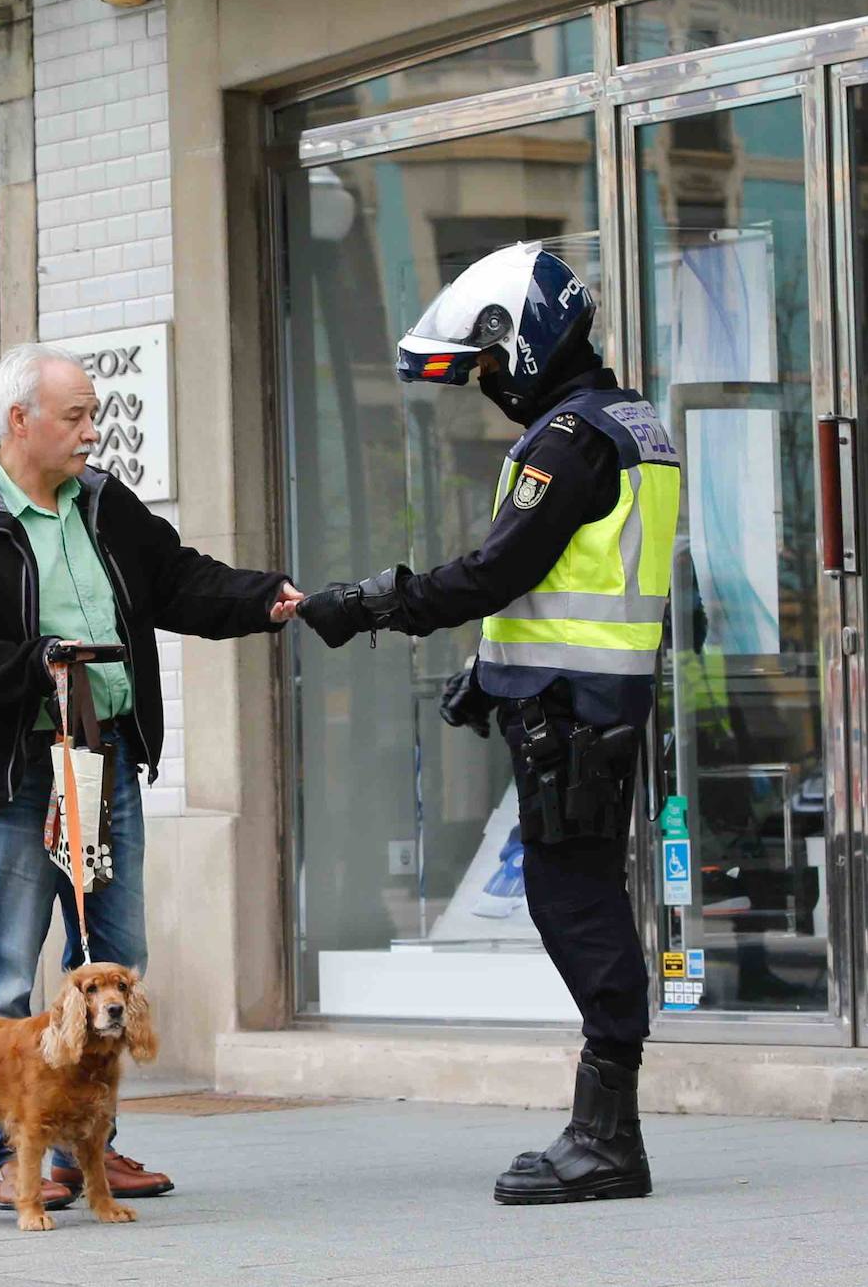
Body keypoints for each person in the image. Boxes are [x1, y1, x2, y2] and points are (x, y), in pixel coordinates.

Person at [297, 244, 680, 1205]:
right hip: (583, 698)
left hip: (574, 711)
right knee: (579, 894)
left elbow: (499, 569)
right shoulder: (627, 421)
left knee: (575, 904)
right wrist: (489, 671)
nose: (483, 386)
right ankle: (603, 1133)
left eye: (482, 364)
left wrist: (377, 602)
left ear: (522, 341)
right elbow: (573, 582)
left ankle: (608, 1140)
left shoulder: (567, 440)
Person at [0, 343, 302, 1211]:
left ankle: (88, 1143)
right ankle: (2, 1156)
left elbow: (179, 581)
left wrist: (266, 597)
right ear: (20, 422)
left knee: (114, 957)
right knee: (8, 966)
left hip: (101, 758)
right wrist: (27, 664)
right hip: (14, 771)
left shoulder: (105, 504)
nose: (92, 429)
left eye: (92, 413)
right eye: (75, 415)